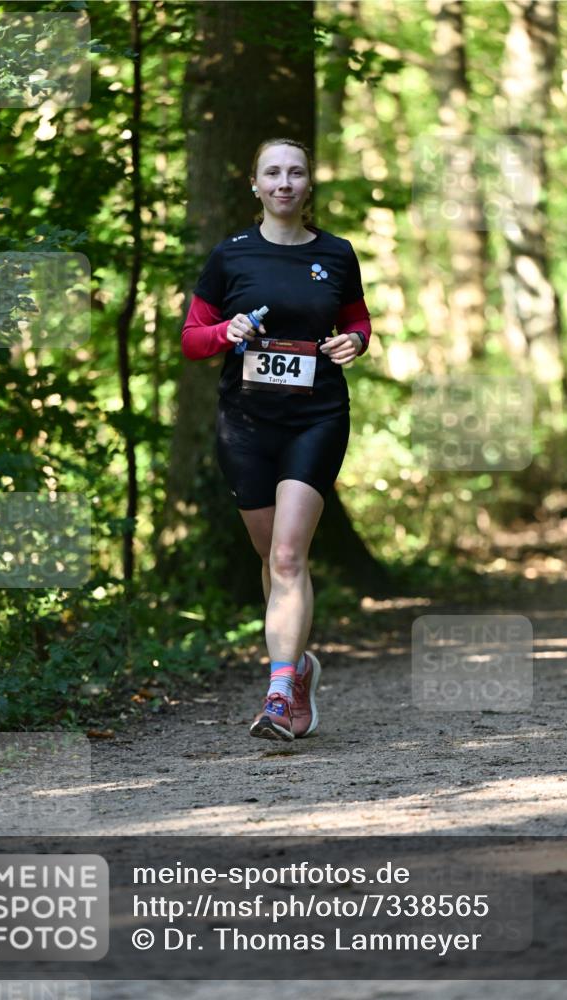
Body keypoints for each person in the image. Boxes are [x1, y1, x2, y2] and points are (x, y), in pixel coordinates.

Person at [181, 137, 371, 742]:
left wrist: (356, 342)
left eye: (295, 172)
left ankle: (280, 691)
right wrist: (223, 332)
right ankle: (300, 668)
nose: (284, 182)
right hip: (245, 424)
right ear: (255, 185)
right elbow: (191, 338)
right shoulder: (229, 256)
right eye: (273, 173)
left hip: (316, 417)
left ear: (309, 184)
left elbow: (357, 321)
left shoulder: (338, 254)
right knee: (272, 558)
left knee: (288, 556)